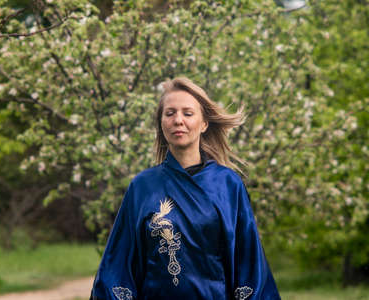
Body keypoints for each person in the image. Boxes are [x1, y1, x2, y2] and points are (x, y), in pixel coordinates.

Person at [90, 77, 280, 300]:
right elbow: (118, 264)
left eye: (188, 113)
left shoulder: (228, 185)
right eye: (169, 113)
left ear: (204, 124)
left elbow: (249, 263)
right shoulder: (142, 187)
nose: (178, 120)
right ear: (161, 123)